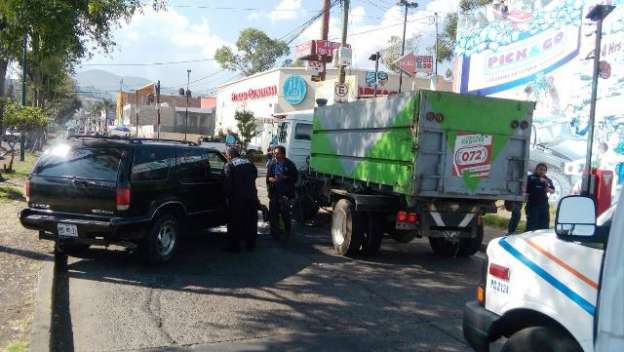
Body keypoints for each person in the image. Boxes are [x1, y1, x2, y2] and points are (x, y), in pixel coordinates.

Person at [223, 146, 259, 251]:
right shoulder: (249, 162)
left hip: (237, 199)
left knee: (235, 222)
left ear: (229, 155)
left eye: (227, 155)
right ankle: (251, 244)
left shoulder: (229, 165)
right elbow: (255, 175)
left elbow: (227, 184)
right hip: (251, 197)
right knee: (250, 221)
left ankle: (235, 246)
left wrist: (227, 197)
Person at [266, 145, 298, 239]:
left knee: (286, 215)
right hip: (274, 193)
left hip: (286, 194)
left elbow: (295, 178)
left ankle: (287, 233)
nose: (275, 155)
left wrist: (285, 177)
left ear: (283, 154)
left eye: (277, 153)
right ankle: (274, 234)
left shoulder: (290, 164)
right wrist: (271, 181)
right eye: (274, 153)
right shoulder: (272, 163)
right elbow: (268, 178)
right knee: (273, 214)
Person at [525, 163, 555, 231]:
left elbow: (552, 190)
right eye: (540, 169)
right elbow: (525, 191)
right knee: (531, 226)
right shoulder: (530, 178)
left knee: (544, 226)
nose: (542, 171)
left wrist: (547, 187)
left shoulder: (547, 180)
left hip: (544, 205)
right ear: (536, 169)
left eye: (544, 170)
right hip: (532, 205)